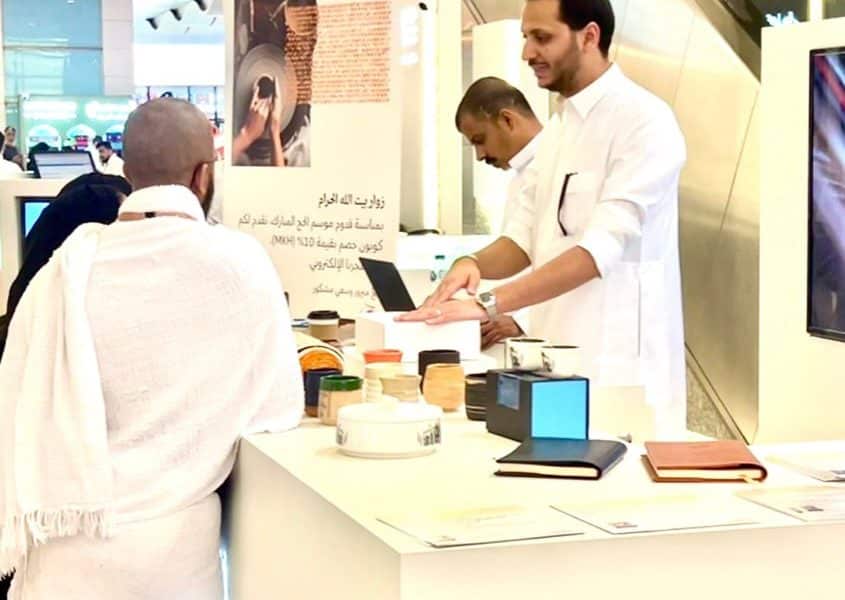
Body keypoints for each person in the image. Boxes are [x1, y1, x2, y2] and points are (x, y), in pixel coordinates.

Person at [0, 98, 304, 598]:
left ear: (127, 174)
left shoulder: (62, 272)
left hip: (62, 553)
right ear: (203, 176)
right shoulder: (240, 263)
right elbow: (277, 408)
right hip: (172, 559)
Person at [400, 0, 688, 434]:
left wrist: (487, 304)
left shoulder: (645, 121)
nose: (527, 52)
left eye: (542, 37)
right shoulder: (558, 129)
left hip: (622, 372)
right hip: (555, 364)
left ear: (589, 36)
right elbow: (522, 241)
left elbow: (597, 252)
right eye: (526, 37)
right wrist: (471, 264)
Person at [456, 76, 544, 348]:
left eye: (480, 140)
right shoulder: (522, 175)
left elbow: (578, 259)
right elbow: (519, 250)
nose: (480, 155)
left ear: (507, 120)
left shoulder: (559, 163)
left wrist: (521, 320)